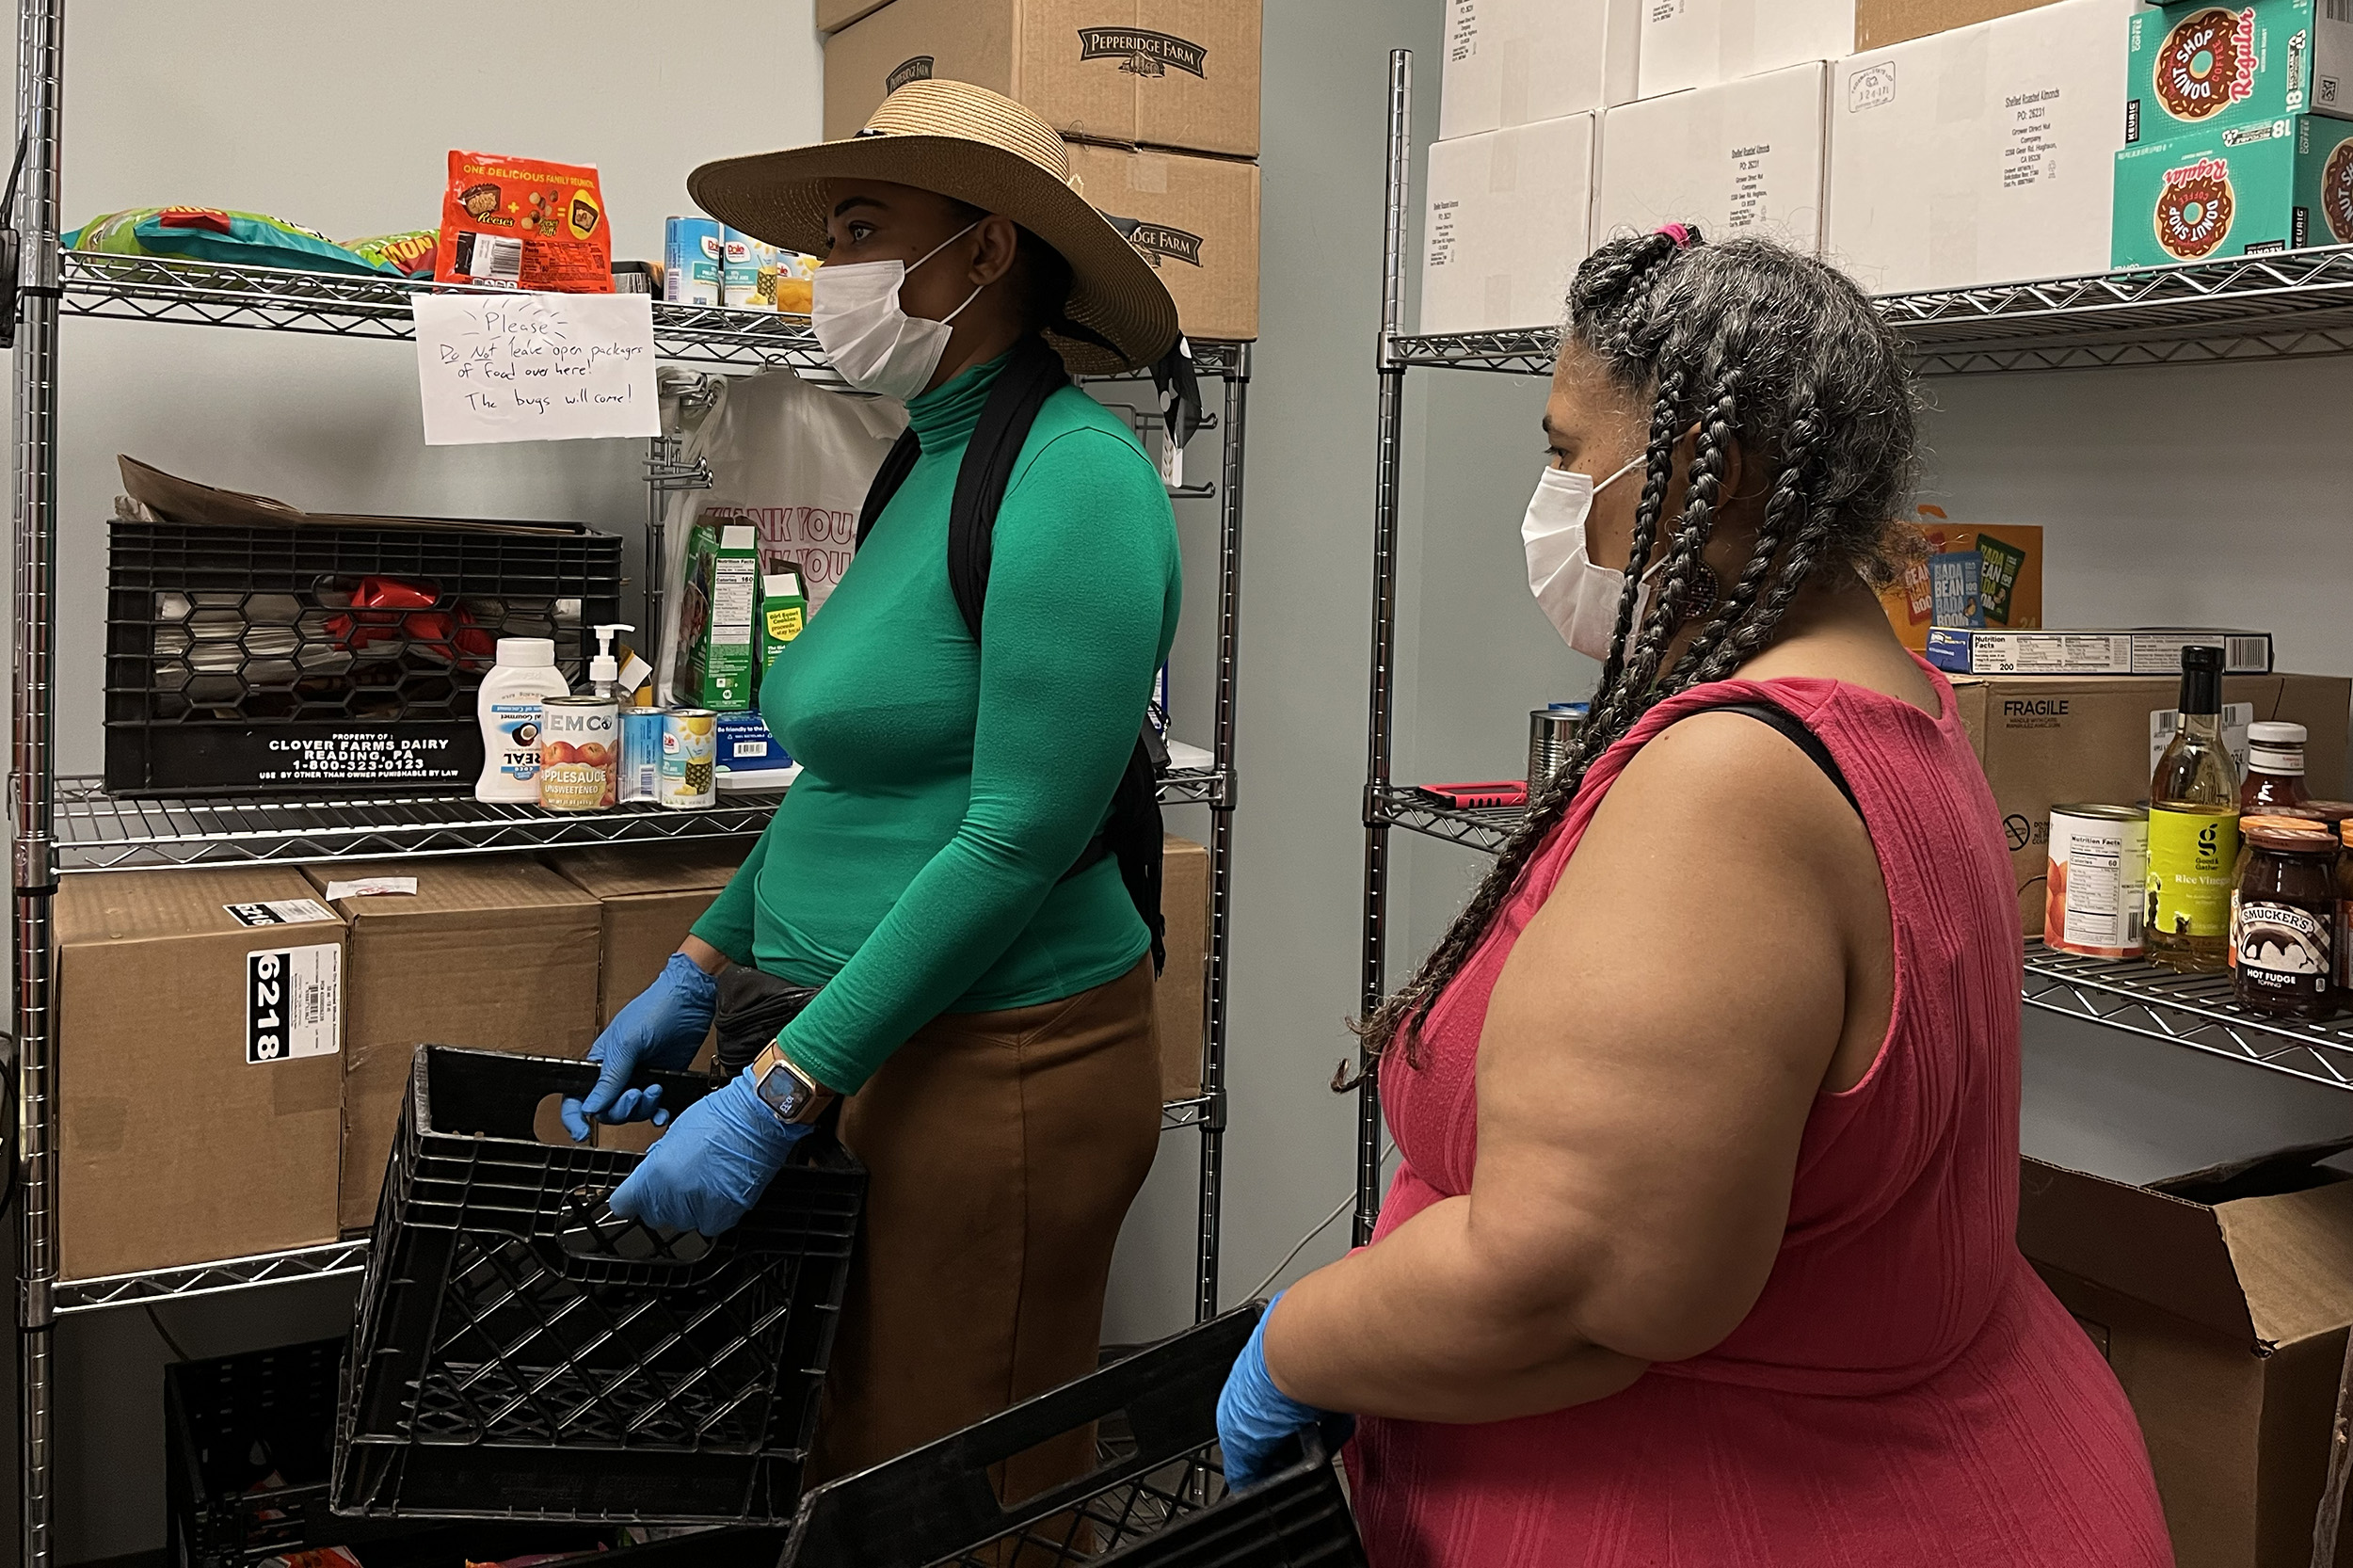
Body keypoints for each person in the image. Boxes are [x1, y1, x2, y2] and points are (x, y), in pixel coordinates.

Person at [1216, 228, 2174, 1565]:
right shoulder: (1887, 698)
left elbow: (1581, 1286)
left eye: (1565, 453)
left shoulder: (1732, 782)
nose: (1548, 495)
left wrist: (1295, 1342)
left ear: (1709, 475)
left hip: (1778, 1503)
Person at [565, 80, 1185, 1497]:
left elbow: (1019, 833)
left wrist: (782, 1089)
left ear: (984, 252)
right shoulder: (925, 460)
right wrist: (704, 959)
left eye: (861, 228)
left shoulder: (1076, 476)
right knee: (849, 1460)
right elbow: (855, 769)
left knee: (959, 1495)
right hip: (867, 1045)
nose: (826, 268)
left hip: (1003, 1067)